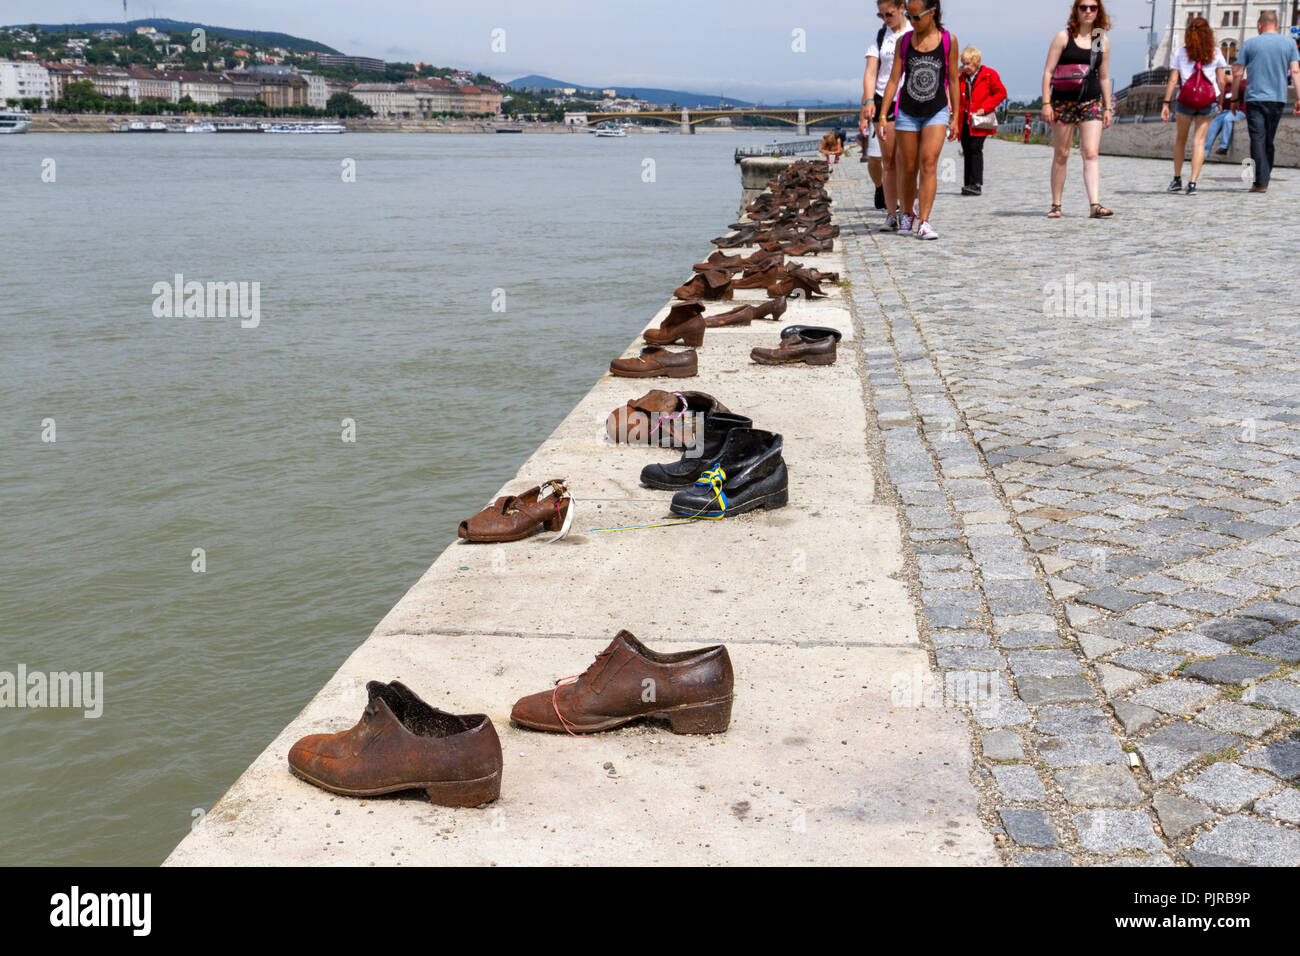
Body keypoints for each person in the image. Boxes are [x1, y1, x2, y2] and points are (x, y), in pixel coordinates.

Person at [879, 0, 960, 240]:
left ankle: (924, 220)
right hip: (907, 110)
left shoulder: (948, 41)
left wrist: (956, 116)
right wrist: (883, 114)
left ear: (931, 13)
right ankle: (907, 214)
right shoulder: (904, 42)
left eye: (916, 17)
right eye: (909, 16)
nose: (912, 22)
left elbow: (954, 79)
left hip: (936, 110)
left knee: (928, 162)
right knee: (908, 166)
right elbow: (894, 79)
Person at [1041, 0, 1115, 219]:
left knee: (1091, 153)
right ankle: (1056, 204)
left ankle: (1095, 205)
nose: (1088, 11)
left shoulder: (1101, 39)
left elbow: (1104, 76)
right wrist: (1046, 103)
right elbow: (1047, 72)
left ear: (1098, 11)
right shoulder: (1063, 37)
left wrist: (1108, 106)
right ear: (1076, 10)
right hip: (1063, 102)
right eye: (1084, 7)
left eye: (1093, 7)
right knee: (1062, 154)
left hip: (1091, 101)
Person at [1232, 10, 1300, 193]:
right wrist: (1299, 98)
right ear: (1277, 25)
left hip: (1255, 98)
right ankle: (1264, 177)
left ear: (1259, 25)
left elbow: (1237, 73)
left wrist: (1234, 98)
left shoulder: (1250, 44)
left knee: (1257, 139)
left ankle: (1260, 182)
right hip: (1278, 98)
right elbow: (1295, 71)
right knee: (1268, 140)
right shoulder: (1289, 43)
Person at [1160, 16, 1228, 195]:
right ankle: (1192, 183)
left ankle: (1176, 179)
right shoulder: (1215, 52)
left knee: (1181, 140)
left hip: (1185, 101)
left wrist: (1166, 103)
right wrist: (1220, 101)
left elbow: (1174, 79)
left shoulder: (1181, 52)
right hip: (1207, 102)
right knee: (1199, 142)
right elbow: (1221, 81)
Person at [861, 0, 912, 231]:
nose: (885, 20)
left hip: (911, 99)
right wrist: (869, 100)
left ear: (902, 7)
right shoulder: (882, 37)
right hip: (885, 101)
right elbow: (871, 72)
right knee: (889, 160)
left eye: (889, 14)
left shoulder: (915, 32)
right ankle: (892, 213)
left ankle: (909, 207)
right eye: (880, 15)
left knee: (910, 161)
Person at [957, 46, 1007, 195]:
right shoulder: (962, 77)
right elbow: (948, 85)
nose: (965, 67)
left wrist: (985, 108)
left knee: (975, 149)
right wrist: (956, 73)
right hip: (965, 119)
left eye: (968, 64)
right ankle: (968, 183)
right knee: (967, 150)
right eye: (963, 64)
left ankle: (976, 183)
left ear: (977, 62)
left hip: (980, 119)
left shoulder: (989, 75)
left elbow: (1001, 93)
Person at [1205, 75, 1245, 158]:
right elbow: (1219, 98)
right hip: (1225, 111)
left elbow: (1244, 90)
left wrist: (1234, 82)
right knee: (1213, 123)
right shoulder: (1225, 87)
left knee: (1228, 119)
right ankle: (1204, 153)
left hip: (1240, 111)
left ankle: (1223, 147)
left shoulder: (1243, 82)